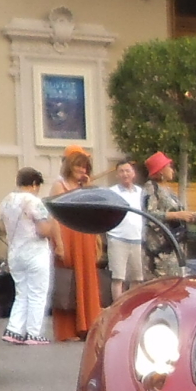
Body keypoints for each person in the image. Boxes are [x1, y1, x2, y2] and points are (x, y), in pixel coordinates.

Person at [49, 146, 104, 343]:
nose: (82, 171)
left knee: (87, 280)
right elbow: (54, 217)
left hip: (85, 237)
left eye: (85, 168)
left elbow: (93, 214)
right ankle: (67, 330)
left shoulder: (83, 188)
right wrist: (59, 243)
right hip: (68, 237)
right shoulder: (59, 186)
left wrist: (98, 241)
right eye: (79, 167)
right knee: (68, 283)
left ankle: (88, 325)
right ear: (70, 167)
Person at [0, 167, 55, 344]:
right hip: (35, 252)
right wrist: (52, 221)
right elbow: (44, 230)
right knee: (38, 293)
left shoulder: (7, 201)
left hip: (15, 251)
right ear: (33, 184)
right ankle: (34, 333)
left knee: (21, 292)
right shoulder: (34, 202)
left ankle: (14, 330)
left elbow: (3, 227)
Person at [102, 158, 148, 304]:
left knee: (137, 278)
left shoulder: (141, 193)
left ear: (133, 173)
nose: (125, 174)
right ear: (117, 175)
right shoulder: (112, 192)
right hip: (117, 239)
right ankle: (119, 307)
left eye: (127, 170)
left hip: (138, 240)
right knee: (118, 277)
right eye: (121, 171)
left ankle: (132, 305)